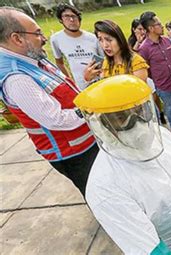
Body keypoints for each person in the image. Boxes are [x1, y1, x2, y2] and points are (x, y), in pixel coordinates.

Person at [74, 75, 171, 254]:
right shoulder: (105, 187)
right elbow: (149, 248)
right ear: (100, 125)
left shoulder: (161, 137)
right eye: (121, 117)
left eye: (140, 111)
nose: (137, 122)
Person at [0, 7, 98, 196]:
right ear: (17, 39)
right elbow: (56, 119)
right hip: (74, 154)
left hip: (84, 143)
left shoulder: (31, 58)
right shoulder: (17, 78)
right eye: (37, 33)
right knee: (99, 195)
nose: (44, 38)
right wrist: (91, 107)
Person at [50, 3, 102, 90]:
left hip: (99, 81)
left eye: (74, 16)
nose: (71, 19)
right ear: (61, 19)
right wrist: (70, 82)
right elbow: (59, 62)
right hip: (80, 86)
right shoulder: (56, 39)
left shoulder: (92, 37)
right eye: (66, 16)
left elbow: (103, 58)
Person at [128, 18, 167, 124]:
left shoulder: (149, 39)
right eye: (139, 29)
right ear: (133, 29)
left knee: (154, 97)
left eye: (143, 29)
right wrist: (138, 43)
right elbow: (129, 57)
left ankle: (160, 113)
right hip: (137, 76)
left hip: (148, 75)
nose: (142, 32)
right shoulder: (131, 42)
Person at [83, 20, 148, 82]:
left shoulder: (137, 63)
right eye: (100, 40)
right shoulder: (106, 62)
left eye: (109, 40)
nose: (105, 45)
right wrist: (88, 78)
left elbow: (140, 90)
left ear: (119, 39)